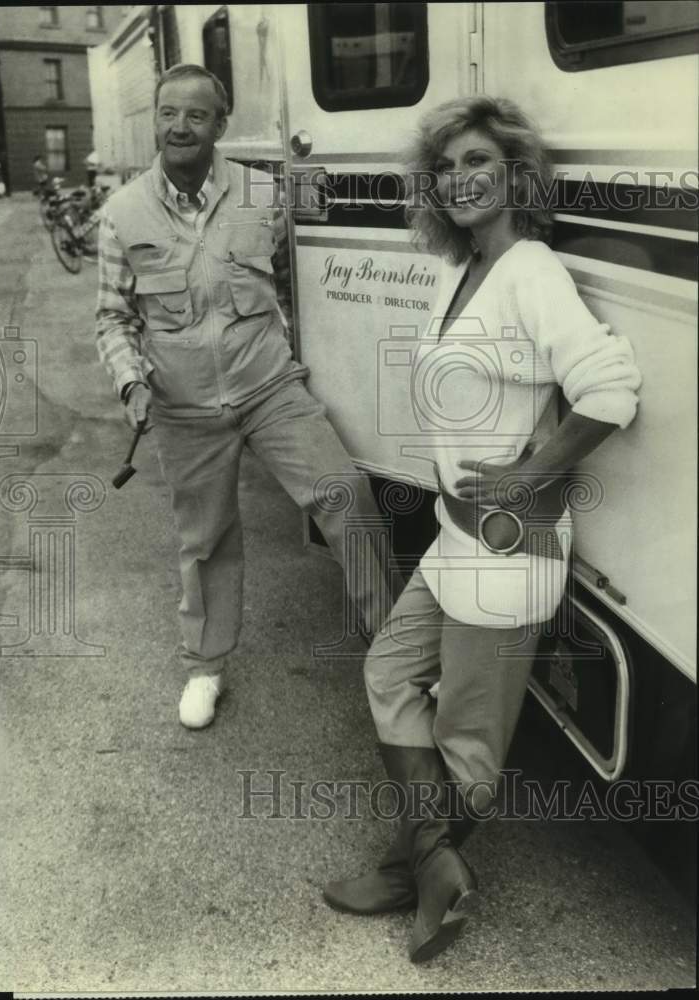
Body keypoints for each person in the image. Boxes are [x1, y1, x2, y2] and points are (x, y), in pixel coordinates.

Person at [322, 96, 642, 963]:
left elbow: (610, 391)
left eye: (477, 163)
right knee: (388, 667)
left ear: (514, 175)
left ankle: (415, 875)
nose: (459, 179)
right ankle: (432, 867)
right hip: (455, 538)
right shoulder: (461, 267)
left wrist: (525, 476)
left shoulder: (531, 268)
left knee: (466, 740)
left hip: (507, 551)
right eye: (447, 167)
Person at [96, 64, 394, 731]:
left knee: (345, 493)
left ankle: (394, 655)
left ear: (219, 125)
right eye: (168, 112)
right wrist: (130, 381)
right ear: (155, 117)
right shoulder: (121, 213)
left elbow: (295, 282)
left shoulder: (263, 194)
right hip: (182, 405)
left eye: (195, 115)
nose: (179, 126)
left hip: (268, 387)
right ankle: (206, 667)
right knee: (206, 540)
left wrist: (299, 353)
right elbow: (113, 317)